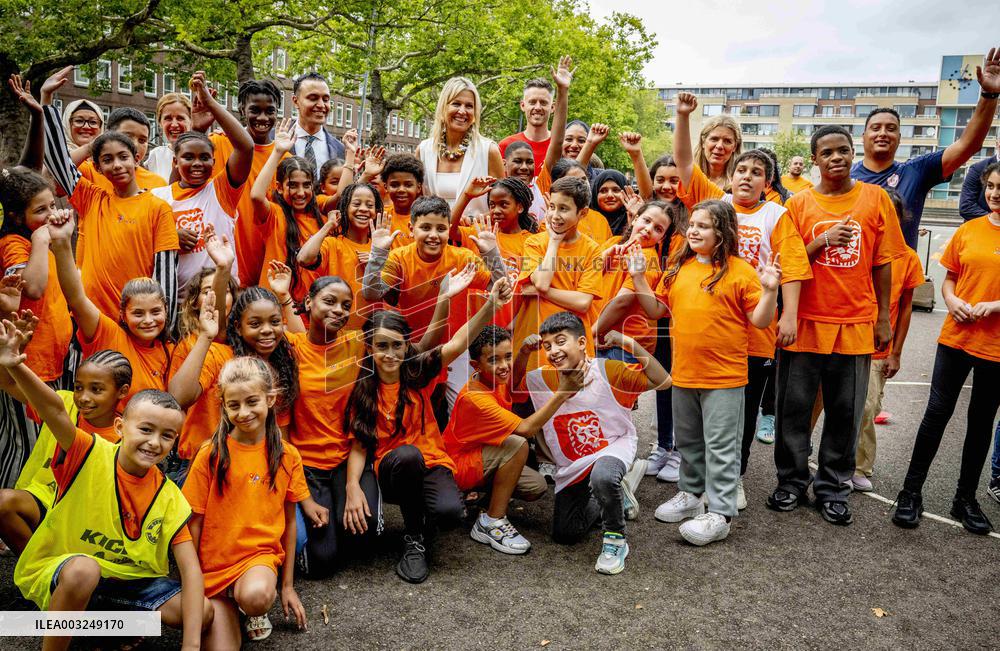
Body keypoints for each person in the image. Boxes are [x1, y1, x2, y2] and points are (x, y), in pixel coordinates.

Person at [1, 320, 209, 649]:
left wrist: (192, 644)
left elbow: (191, 571)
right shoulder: (90, 452)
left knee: (202, 611)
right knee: (83, 570)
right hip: (74, 567)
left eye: (167, 436)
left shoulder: (169, 495)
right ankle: (78, 626)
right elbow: (54, 409)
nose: (154, 442)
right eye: (145, 430)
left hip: (125, 580)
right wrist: (15, 365)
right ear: (120, 426)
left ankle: (94, 625)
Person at [671, 94, 812, 507]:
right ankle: (698, 482)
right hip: (714, 324)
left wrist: (790, 318)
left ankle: (734, 478)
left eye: (757, 172)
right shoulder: (718, 204)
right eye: (741, 170)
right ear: (730, 176)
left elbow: (795, 267)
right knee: (703, 415)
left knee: (743, 411)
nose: (747, 177)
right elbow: (683, 162)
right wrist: (683, 116)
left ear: (768, 182)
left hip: (753, 325)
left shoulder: (775, 215)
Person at [770, 125, 906, 526]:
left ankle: (832, 487)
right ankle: (792, 481)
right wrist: (824, 240)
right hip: (806, 323)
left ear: (853, 153)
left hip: (854, 323)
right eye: (827, 152)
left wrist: (883, 317)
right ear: (814, 159)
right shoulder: (798, 205)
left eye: (843, 150)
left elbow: (883, 262)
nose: (837, 157)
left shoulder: (875, 198)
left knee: (845, 413)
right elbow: (790, 262)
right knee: (793, 410)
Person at [344, 277, 513, 584]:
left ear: (406, 344)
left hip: (432, 461)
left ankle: (422, 522)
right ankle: (412, 537)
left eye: (397, 345)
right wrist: (352, 486)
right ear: (369, 347)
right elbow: (359, 444)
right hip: (392, 469)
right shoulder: (363, 387)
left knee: (451, 513)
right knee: (408, 457)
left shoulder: (415, 370)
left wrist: (491, 305)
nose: (390, 354)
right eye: (382, 346)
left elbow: (459, 341)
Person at [629, 201, 779, 545]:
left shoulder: (740, 272)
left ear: (723, 233)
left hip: (724, 379)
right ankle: (692, 495)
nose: (694, 231)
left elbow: (760, 320)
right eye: (692, 224)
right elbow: (655, 310)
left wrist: (770, 290)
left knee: (722, 447)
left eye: (704, 226)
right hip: (684, 374)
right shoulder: (679, 268)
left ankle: (722, 512)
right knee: (689, 443)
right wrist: (638, 277)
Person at [183, 356, 327, 646]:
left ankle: (250, 606)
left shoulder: (287, 456)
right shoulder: (210, 454)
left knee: (256, 596)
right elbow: (192, 523)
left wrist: (287, 586)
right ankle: (232, 604)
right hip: (214, 567)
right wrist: (194, 584)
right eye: (233, 405)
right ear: (223, 404)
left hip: (257, 559)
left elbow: (289, 522)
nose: (243, 412)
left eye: (252, 402)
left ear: (270, 399)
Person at [891, 161, 1000, 535]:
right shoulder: (969, 230)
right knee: (936, 412)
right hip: (957, 337)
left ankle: (965, 499)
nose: (995, 194)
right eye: (991, 186)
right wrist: (951, 301)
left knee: (981, 422)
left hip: (995, 346)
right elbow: (950, 279)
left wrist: (995, 306)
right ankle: (910, 493)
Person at [522, 313, 670, 572]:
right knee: (566, 534)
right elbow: (512, 382)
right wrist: (524, 352)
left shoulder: (607, 371)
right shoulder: (542, 378)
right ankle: (612, 495)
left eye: (560, 342)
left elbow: (663, 381)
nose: (554, 351)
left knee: (603, 476)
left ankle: (615, 538)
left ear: (581, 342)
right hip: (575, 462)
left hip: (613, 446)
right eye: (547, 346)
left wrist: (630, 344)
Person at [38, 67, 179, 327]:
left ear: (136, 158)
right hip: (92, 318)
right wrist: (46, 100)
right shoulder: (92, 199)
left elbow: (165, 274)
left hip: (137, 323)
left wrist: (163, 330)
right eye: (107, 159)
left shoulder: (158, 208)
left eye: (123, 157)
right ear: (98, 167)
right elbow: (58, 162)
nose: (117, 165)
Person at [363, 196, 507, 411]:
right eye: (425, 227)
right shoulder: (399, 257)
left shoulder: (463, 257)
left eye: (440, 228)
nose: (433, 235)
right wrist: (378, 253)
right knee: (414, 407)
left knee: (462, 408)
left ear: (449, 229)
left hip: (454, 347)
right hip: (412, 349)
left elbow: (500, 287)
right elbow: (372, 293)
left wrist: (491, 252)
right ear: (412, 229)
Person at [444, 325, 579, 555]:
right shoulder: (475, 398)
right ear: (476, 366)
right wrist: (562, 393)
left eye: (507, 356)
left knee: (535, 486)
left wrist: (524, 353)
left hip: (481, 457)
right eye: (494, 360)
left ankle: (484, 506)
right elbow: (526, 429)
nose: (504, 365)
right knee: (517, 444)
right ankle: (491, 522)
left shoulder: (492, 379)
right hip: (458, 467)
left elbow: (513, 384)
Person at [852, 48, 1000, 248]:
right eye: (875, 128)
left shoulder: (915, 172)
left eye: (891, 128)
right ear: (863, 137)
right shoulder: (845, 178)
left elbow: (968, 145)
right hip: (851, 276)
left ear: (899, 138)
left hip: (901, 277)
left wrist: (989, 95)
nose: (883, 133)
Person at [0, 349, 130, 554]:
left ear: (122, 391)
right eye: (79, 387)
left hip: (85, 521)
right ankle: (37, 567)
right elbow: (8, 383)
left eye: (96, 390)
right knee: (3, 502)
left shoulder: (126, 436)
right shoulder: (64, 404)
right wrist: (8, 357)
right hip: (45, 499)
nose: (84, 398)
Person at [0, 165, 74, 488]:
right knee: (23, 444)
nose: (49, 214)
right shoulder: (15, 243)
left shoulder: (40, 240)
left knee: (41, 441)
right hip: (24, 363)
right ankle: (9, 506)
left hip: (49, 361)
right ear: (17, 216)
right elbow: (32, 287)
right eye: (39, 210)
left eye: (51, 206)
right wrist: (42, 239)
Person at [152, 72, 252, 298]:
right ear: (175, 162)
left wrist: (211, 103)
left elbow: (246, 147)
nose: (197, 163)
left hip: (221, 296)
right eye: (189, 158)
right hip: (175, 302)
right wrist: (170, 237)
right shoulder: (157, 197)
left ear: (214, 162)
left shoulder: (221, 191)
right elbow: (143, 242)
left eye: (204, 158)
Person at [852, 191, 924, 492]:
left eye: (890, 213)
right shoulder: (858, 249)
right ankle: (827, 460)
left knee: (868, 407)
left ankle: (859, 465)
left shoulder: (907, 258)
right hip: (847, 338)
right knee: (840, 406)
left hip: (878, 348)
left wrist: (896, 353)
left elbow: (906, 307)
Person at [515, 176, 602, 374]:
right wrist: (553, 242)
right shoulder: (534, 243)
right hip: (537, 340)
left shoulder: (592, 250)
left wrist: (539, 292)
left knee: (575, 400)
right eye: (552, 207)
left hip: (573, 343)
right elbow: (543, 282)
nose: (555, 215)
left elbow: (582, 302)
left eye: (564, 209)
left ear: (583, 213)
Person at [211, 79, 285, 287]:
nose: (263, 118)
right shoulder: (219, 143)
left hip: (266, 266)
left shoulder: (284, 157)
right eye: (255, 110)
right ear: (242, 109)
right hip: (225, 262)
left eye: (270, 111)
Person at [251, 119, 330, 306]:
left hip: (310, 308)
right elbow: (256, 196)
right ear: (279, 187)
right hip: (275, 308)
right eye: (292, 186)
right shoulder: (274, 215)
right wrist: (277, 152)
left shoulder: (321, 218)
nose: (301, 193)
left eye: (306, 185)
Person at [297, 183, 384, 330]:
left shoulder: (381, 248)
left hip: (370, 337)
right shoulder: (332, 244)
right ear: (345, 208)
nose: (363, 209)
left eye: (369, 205)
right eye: (356, 204)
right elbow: (303, 259)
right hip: (335, 333)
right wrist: (328, 226)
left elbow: (392, 295)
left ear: (376, 211)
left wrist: (376, 263)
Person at [416, 77, 504, 215]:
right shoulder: (423, 150)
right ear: (443, 107)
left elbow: (503, 204)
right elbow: (415, 202)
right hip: (432, 235)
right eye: (456, 104)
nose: (462, 111)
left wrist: (470, 222)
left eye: (469, 106)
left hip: (474, 233)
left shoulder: (489, 151)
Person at [291, 72, 344, 179]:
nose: (321, 105)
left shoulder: (340, 149)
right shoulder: (273, 140)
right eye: (313, 98)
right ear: (296, 101)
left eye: (325, 99)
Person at [499, 78, 555, 177]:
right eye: (532, 102)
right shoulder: (505, 146)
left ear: (552, 107)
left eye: (543, 103)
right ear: (523, 105)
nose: (538, 107)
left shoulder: (560, 146)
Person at [380, 153, 425, 249]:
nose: (401, 190)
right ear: (386, 187)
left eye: (408, 185)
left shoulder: (428, 217)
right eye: (394, 185)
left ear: (419, 187)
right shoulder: (380, 215)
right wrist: (366, 175)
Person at [146, 93, 193, 179]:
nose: (174, 124)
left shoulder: (203, 153)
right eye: (168, 118)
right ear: (160, 123)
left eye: (180, 118)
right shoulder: (155, 155)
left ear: (191, 121)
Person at [692, 114, 742, 191]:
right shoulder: (688, 176)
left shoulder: (741, 183)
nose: (719, 146)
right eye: (714, 139)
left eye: (727, 141)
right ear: (703, 142)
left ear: (735, 147)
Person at [958, 134, 999, 221]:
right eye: (990, 186)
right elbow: (966, 206)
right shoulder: (978, 168)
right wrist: (994, 220)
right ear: (997, 144)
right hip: (980, 230)